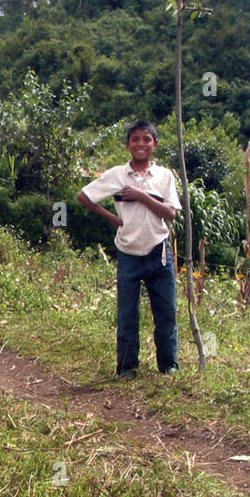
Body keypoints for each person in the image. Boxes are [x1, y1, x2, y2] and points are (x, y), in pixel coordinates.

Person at [77, 121, 182, 378]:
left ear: (155, 144)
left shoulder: (164, 176)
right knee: (127, 314)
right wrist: (113, 218)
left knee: (166, 312)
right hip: (128, 253)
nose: (140, 144)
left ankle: (169, 365)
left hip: (159, 251)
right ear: (127, 144)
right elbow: (84, 196)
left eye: (147, 139)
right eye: (135, 139)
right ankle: (127, 368)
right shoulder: (116, 175)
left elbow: (170, 213)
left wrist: (141, 195)